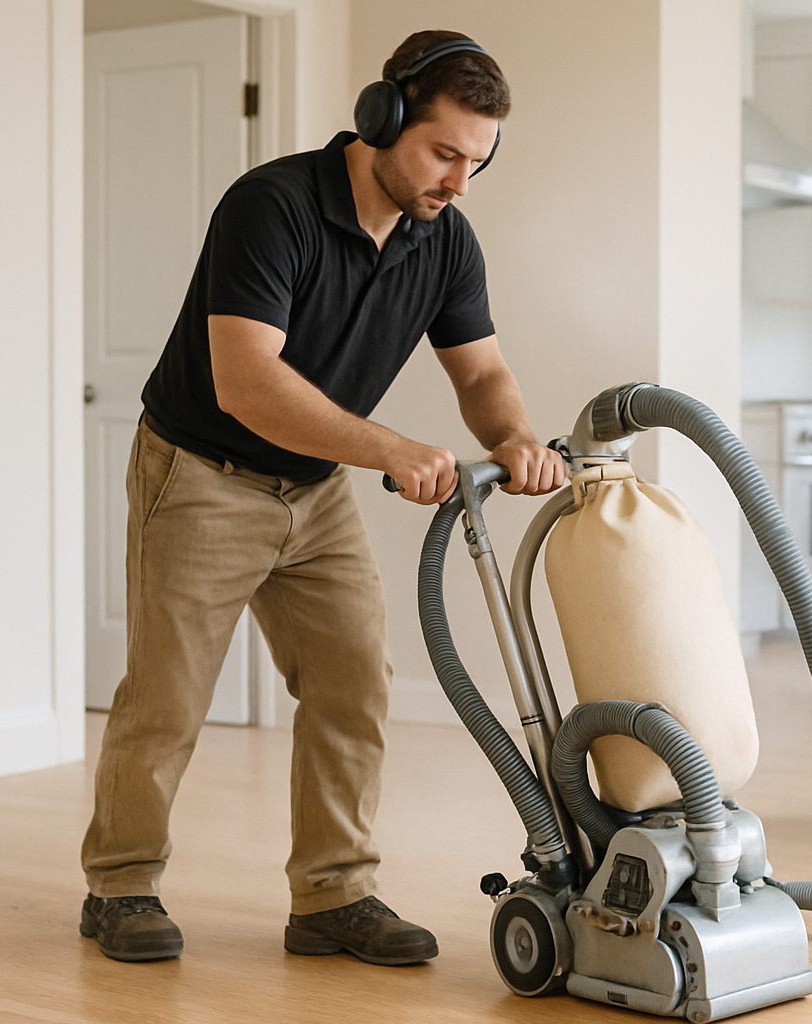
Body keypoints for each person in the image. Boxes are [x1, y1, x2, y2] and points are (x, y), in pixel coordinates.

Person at [79, 29, 564, 966]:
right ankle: (122, 884)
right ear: (382, 119)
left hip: (316, 488)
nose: (459, 182)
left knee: (352, 683)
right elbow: (248, 384)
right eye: (444, 154)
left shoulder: (444, 238)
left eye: (478, 162)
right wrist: (392, 449)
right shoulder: (272, 207)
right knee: (169, 698)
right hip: (202, 475)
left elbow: (481, 369)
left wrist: (511, 437)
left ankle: (332, 897)